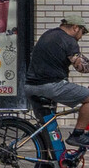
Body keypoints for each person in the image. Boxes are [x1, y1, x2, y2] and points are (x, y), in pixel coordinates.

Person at [25, 13, 89, 147]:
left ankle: (49, 163)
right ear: (76, 27)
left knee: (48, 126)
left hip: (31, 87)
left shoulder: (48, 34)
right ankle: (78, 135)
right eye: (82, 32)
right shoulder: (69, 40)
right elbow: (81, 67)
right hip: (51, 86)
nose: (81, 36)